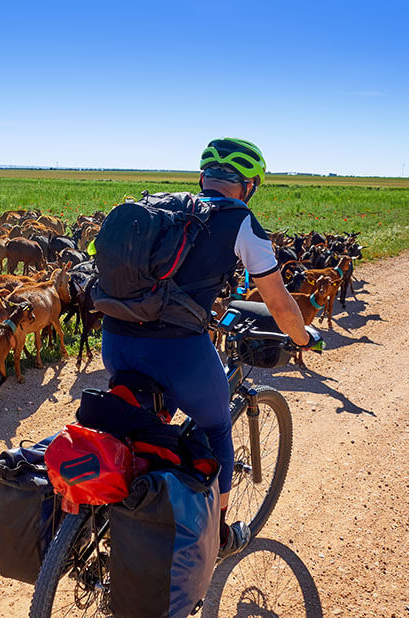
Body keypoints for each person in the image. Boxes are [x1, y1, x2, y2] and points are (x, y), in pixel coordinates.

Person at [100, 137, 317, 558]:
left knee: (138, 419)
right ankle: (216, 538)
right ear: (249, 186)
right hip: (179, 353)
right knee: (215, 427)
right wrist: (303, 336)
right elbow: (277, 300)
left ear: (203, 178)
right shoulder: (240, 220)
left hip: (117, 339)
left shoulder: (162, 205)